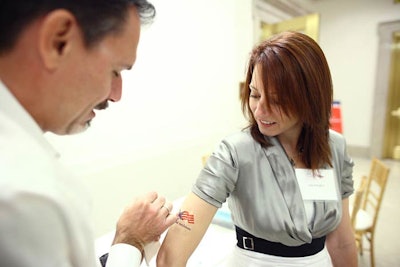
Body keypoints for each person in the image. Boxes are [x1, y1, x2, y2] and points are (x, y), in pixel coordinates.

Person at [157, 31, 358, 267]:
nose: (260, 110)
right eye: (255, 94)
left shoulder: (334, 147)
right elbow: (180, 237)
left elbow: (342, 242)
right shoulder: (235, 152)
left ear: (310, 97)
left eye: (277, 100)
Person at [0, 1, 178, 267]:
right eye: (115, 70)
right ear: (58, 40)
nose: (116, 95)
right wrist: (130, 242)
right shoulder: (27, 199)